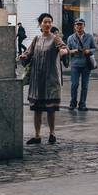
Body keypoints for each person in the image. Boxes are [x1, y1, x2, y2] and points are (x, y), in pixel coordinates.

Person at [20, 13, 66, 144]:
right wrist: (23, 56)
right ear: (40, 24)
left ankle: (52, 133)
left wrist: (64, 52)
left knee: (51, 108)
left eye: (50, 22)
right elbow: (28, 54)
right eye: (45, 22)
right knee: (37, 109)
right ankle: (37, 135)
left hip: (51, 79)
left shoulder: (55, 38)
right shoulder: (36, 39)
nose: (48, 24)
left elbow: (63, 48)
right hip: (37, 80)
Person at [66, 19, 96, 111]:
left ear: (84, 26)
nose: (79, 26)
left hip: (86, 64)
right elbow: (67, 51)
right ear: (75, 26)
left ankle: (82, 104)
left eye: (81, 25)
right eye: (77, 25)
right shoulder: (70, 38)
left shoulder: (89, 37)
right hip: (75, 64)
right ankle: (73, 102)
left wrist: (89, 51)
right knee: (74, 84)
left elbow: (94, 48)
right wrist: (73, 51)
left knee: (85, 85)